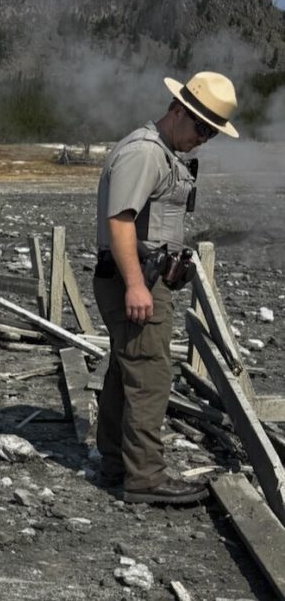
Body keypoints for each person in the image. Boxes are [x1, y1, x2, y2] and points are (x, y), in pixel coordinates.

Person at [93, 71, 239, 505]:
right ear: (178, 110)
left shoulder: (162, 152)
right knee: (150, 374)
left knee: (128, 370)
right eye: (201, 127)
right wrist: (137, 285)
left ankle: (117, 463)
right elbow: (119, 221)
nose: (204, 138)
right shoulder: (145, 153)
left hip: (141, 275)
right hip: (135, 278)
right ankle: (145, 479)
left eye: (212, 132)